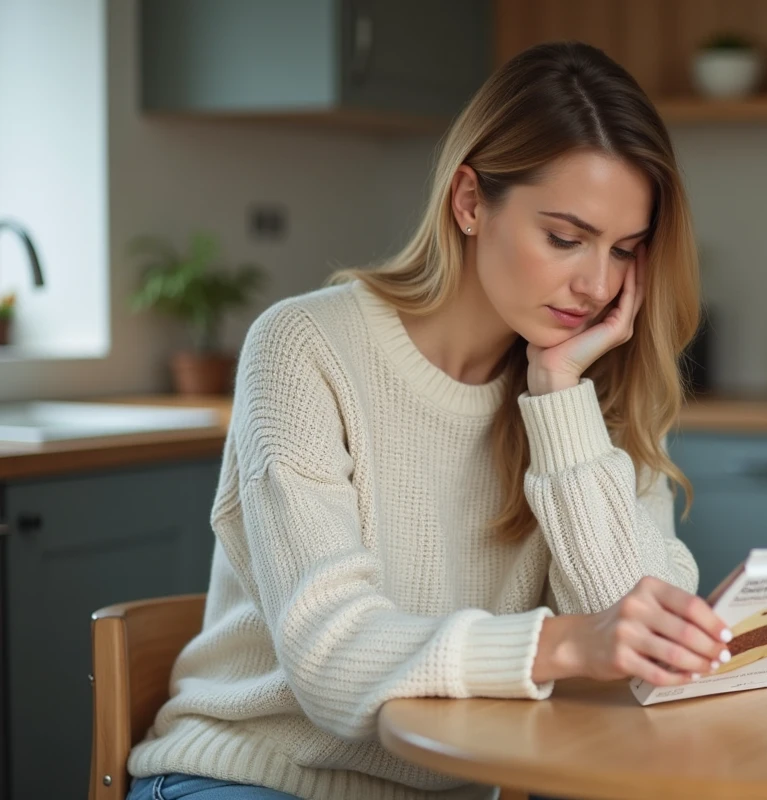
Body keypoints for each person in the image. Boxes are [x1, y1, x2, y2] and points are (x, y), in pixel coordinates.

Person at [126, 40, 732, 800]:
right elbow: (329, 657)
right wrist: (564, 645)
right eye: (566, 239)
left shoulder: (588, 386)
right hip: (255, 776)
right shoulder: (304, 347)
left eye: (625, 251)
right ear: (470, 201)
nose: (598, 284)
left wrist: (557, 399)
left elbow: (634, 652)